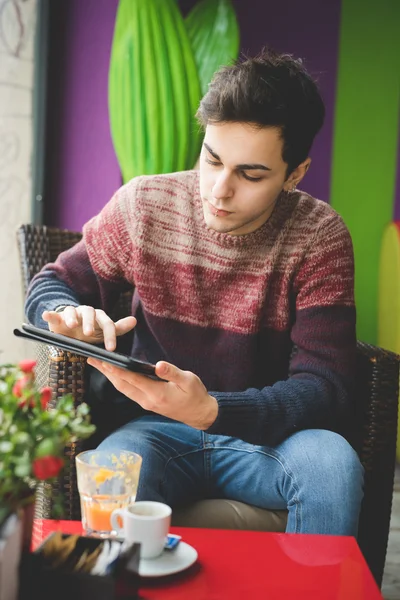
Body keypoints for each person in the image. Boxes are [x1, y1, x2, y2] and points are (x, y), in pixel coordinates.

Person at [25, 48, 364, 536]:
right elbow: (50, 285)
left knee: (333, 466)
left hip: (271, 440)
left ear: (295, 174)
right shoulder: (146, 205)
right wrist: (67, 313)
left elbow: (325, 387)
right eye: (212, 159)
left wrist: (214, 411)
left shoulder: (319, 237)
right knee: (111, 470)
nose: (219, 190)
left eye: (251, 174)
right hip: (154, 430)